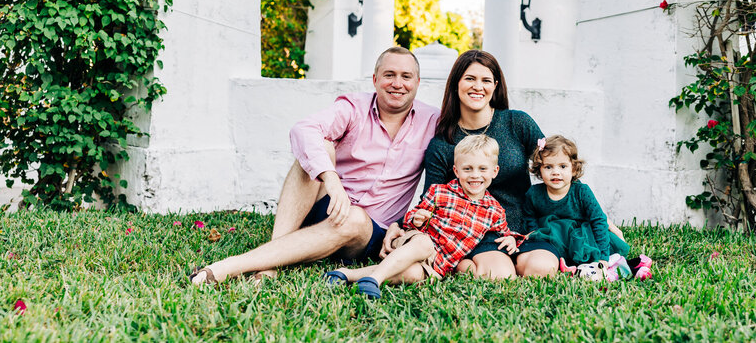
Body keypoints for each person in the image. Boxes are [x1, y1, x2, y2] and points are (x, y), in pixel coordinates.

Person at [189, 46, 439, 285]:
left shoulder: (433, 121)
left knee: (354, 218)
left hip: (369, 232)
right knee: (318, 148)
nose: (397, 83)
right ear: (374, 79)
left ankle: (230, 266)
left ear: (417, 83)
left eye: (406, 76)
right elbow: (304, 129)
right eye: (389, 75)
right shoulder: (354, 107)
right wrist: (331, 179)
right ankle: (271, 261)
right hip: (330, 205)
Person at [381, 49, 624, 280]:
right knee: (499, 276)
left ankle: (511, 260)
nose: (478, 86)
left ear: (495, 86)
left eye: (486, 80)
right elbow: (429, 201)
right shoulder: (442, 144)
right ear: (456, 84)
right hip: (476, 232)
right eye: (470, 79)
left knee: (542, 269)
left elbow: (556, 165)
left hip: (525, 228)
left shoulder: (517, 123)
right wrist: (401, 226)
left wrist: (601, 217)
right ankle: (465, 264)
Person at [324, 134, 524, 299]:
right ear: (456, 170)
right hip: (416, 242)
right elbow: (413, 215)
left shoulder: (494, 210)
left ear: (495, 171)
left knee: (412, 274)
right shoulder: (440, 192)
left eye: (482, 169)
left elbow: (503, 231)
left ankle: (345, 275)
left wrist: (510, 238)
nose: (475, 175)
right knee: (424, 244)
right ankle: (374, 280)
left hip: (438, 264)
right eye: (467, 169)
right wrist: (417, 218)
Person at [523, 135, 629, 267]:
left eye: (562, 166)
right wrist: (534, 233)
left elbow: (598, 220)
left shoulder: (581, 192)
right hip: (553, 237)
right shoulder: (534, 194)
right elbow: (529, 217)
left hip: (582, 237)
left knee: (605, 247)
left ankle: (610, 262)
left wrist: (603, 257)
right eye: (548, 167)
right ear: (539, 169)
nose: (555, 172)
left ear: (573, 169)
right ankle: (564, 265)